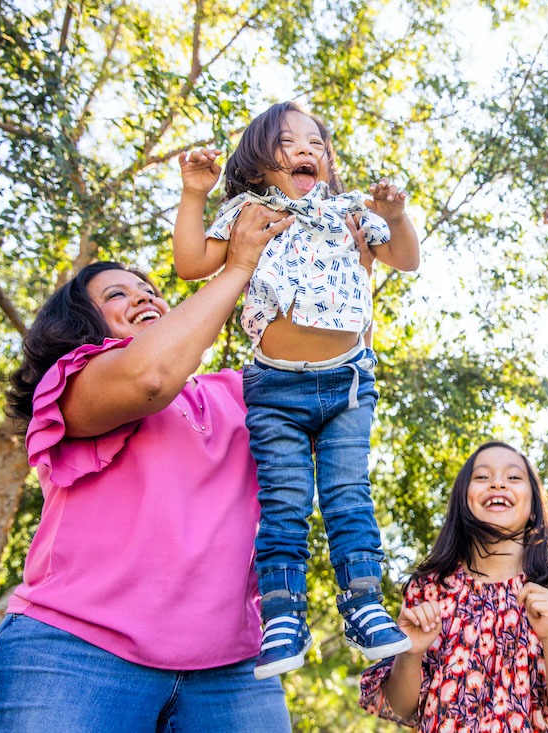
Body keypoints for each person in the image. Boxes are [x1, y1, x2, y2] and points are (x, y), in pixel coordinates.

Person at [0, 204, 295, 731]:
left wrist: (347, 263)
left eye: (147, 288)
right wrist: (237, 267)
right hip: (73, 656)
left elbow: (327, 384)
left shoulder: (234, 393)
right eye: (116, 294)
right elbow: (149, 376)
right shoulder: (73, 382)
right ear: (82, 324)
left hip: (231, 673)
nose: (143, 295)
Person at [172, 101, 421, 679]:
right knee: (283, 505)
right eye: (289, 141)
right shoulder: (246, 212)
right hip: (274, 387)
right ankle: (282, 614)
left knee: (347, 495)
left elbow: (404, 261)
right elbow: (189, 263)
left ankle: (364, 603)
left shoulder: (350, 209)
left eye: (317, 141)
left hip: (348, 380)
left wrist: (395, 214)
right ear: (260, 161)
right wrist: (193, 195)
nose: (308, 149)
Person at [358, 441, 548, 731]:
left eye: (514, 477)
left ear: (534, 507)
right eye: (482, 477)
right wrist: (411, 653)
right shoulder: (428, 589)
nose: (497, 483)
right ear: (462, 501)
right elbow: (403, 707)